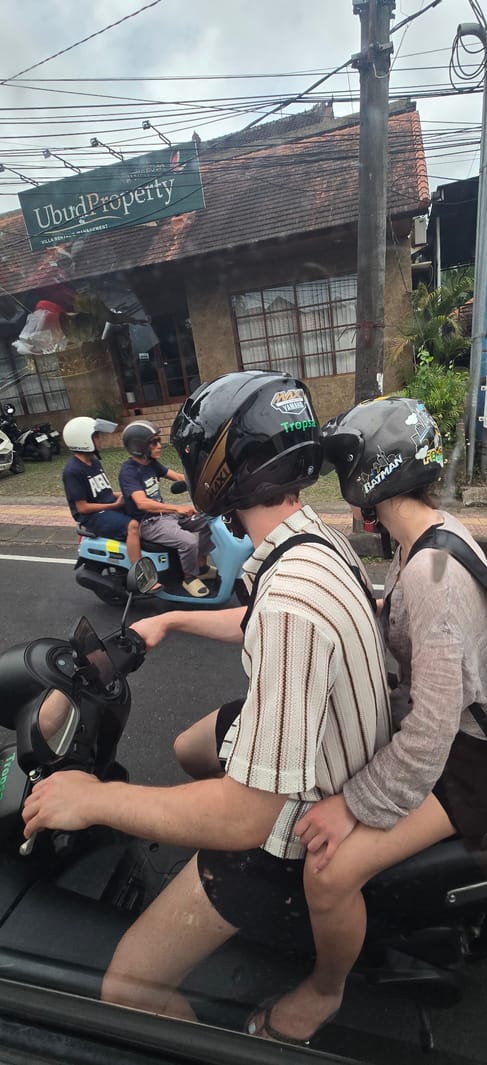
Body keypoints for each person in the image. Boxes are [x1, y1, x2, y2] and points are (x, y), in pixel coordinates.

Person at [22, 370, 392, 1027]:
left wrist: (92, 797)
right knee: (190, 744)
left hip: (299, 814)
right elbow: (257, 618)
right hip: (335, 742)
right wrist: (172, 619)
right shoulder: (313, 541)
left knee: (125, 987)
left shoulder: (291, 601)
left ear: (223, 466)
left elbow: (252, 814)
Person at [245, 395, 487, 1045]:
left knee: (329, 868)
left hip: (471, 763)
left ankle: (322, 991)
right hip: (457, 736)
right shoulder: (430, 535)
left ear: (367, 476)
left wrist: (354, 806)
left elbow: (428, 732)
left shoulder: (431, 572)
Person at [118, 420, 217, 598]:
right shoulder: (129, 471)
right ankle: (189, 577)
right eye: (154, 442)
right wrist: (177, 508)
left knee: (209, 521)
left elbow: (178, 477)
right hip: (149, 522)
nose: (159, 446)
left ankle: (200, 566)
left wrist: (201, 480)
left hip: (167, 516)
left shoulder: (151, 464)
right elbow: (142, 503)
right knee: (188, 541)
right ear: (139, 447)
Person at [62, 416, 142, 565]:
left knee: (142, 510)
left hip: (106, 508)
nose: (100, 440)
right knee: (132, 525)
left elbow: (105, 493)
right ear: (83, 440)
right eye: (96, 436)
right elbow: (82, 507)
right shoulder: (72, 471)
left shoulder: (94, 461)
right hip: (91, 516)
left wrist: (132, 493)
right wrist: (113, 505)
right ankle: (139, 571)